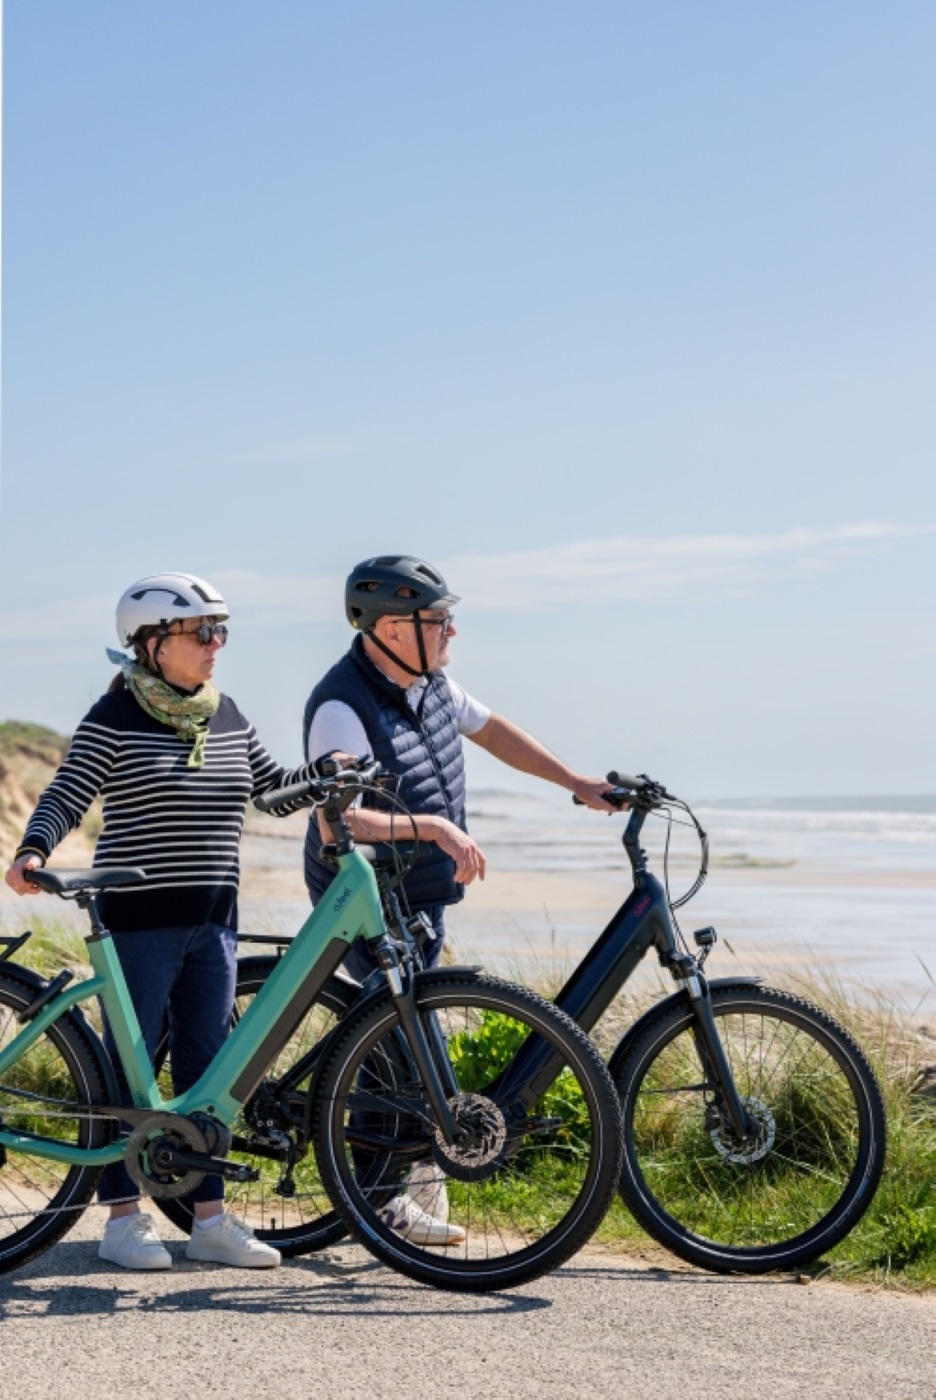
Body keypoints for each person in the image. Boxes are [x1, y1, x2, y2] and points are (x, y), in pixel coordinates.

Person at [4, 572, 318, 1272]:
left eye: (221, 632)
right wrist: (32, 848)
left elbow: (272, 791)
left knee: (212, 1072)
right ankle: (121, 1221)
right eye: (200, 632)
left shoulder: (227, 713)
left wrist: (322, 777)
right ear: (150, 645)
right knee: (130, 1069)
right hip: (136, 925)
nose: (215, 645)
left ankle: (208, 1219)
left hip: (215, 922)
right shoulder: (113, 718)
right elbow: (68, 790)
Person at [302, 553, 613, 1243]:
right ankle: (384, 1199)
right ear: (389, 627)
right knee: (397, 1037)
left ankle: (395, 1191)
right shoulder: (339, 707)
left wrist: (573, 780)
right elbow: (340, 818)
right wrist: (434, 827)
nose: (451, 633)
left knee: (401, 1034)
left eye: (449, 620)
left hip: (420, 890)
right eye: (438, 621)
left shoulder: (433, 684)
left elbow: (494, 732)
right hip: (360, 891)